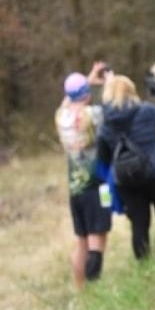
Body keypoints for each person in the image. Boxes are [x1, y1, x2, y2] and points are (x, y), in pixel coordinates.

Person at [97, 73, 155, 261]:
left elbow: (103, 156)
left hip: (126, 180)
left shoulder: (105, 123)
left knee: (139, 224)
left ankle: (144, 267)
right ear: (131, 91)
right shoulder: (145, 111)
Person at [56, 65, 112, 287]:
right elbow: (111, 103)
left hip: (75, 187)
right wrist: (108, 82)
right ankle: (94, 288)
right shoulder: (92, 115)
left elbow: (69, 100)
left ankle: (81, 290)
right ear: (86, 94)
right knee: (97, 240)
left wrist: (86, 80)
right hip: (95, 184)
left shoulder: (61, 117)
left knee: (81, 243)